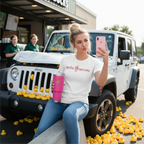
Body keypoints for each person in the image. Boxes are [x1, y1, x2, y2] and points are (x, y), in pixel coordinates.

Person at [33, 23, 109, 144]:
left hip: (79, 103)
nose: (84, 44)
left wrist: (106, 62)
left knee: (69, 114)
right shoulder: (66, 60)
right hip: (58, 101)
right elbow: (59, 79)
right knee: (41, 129)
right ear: (73, 45)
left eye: (85, 40)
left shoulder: (94, 62)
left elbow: (100, 82)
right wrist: (54, 84)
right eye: (79, 42)